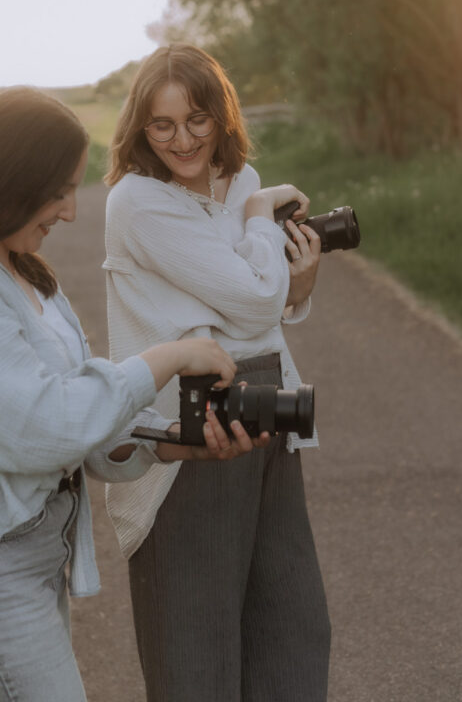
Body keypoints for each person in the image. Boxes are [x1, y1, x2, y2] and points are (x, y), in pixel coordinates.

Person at [0, 86, 254, 702]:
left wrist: (170, 443)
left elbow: (71, 414)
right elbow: (37, 428)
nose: (70, 211)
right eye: (61, 190)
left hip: (28, 562)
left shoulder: (17, 270)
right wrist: (167, 356)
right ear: (8, 181)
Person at [103, 45, 332, 702]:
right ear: (139, 129)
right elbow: (257, 298)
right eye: (161, 125)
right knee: (194, 646)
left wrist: (297, 281)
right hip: (190, 428)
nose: (182, 139)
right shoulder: (137, 202)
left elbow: (263, 304)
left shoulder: (240, 180)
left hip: (265, 404)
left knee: (289, 625)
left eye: (197, 119)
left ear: (220, 113)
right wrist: (261, 224)